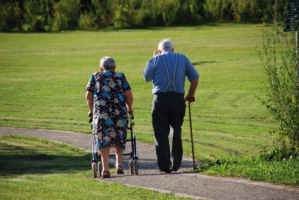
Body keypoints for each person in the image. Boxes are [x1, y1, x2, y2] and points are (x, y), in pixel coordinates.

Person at [142, 39, 199, 173]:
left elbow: (146, 77)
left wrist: (153, 58)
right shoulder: (182, 58)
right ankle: (176, 163)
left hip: (160, 98)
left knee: (160, 131)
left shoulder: (155, 60)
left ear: (160, 50)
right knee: (176, 129)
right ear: (173, 49)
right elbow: (195, 78)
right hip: (178, 98)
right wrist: (191, 94)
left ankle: (164, 165)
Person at [86, 56, 133, 178]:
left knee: (103, 139)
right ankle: (119, 164)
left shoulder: (95, 76)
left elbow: (88, 96)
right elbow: (128, 95)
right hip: (119, 113)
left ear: (101, 68)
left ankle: (105, 169)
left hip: (102, 114)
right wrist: (130, 108)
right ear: (115, 68)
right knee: (119, 136)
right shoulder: (120, 76)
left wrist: (91, 111)